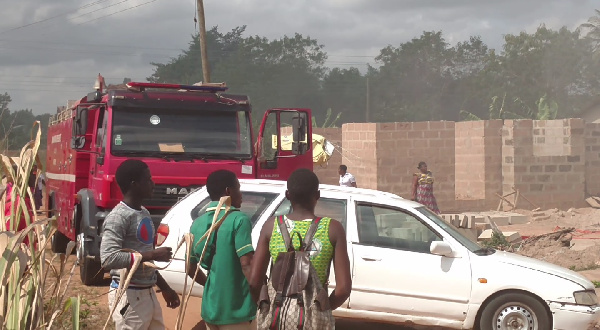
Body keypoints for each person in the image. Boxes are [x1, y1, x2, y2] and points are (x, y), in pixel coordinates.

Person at [249, 169, 352, 326]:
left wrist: (266, 307)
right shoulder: (332, 228)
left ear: (287, 195)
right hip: (312, 320)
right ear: (317, 195)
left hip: (277, 318)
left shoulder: (271, 226)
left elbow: (254, 282)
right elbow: (343, 289)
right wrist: (322, 309)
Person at [100, 159, 180, 330]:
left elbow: (144, 261)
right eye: (148, 179)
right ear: (134, 185)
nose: (153, 183)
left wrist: (165, 288)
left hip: (148, 294)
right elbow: (108, 259)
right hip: (128, 296)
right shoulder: (118, 217)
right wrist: (153, 254)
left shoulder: (143, 213)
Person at [187, 170, 256, 330]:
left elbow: (190, 268)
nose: (241, 194)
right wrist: (259, 294)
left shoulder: (196, 224)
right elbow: (246, 264)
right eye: (238, 189)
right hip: (237, 309)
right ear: (228, 191)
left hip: (210, 308)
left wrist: (212, 285)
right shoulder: (239, 220)